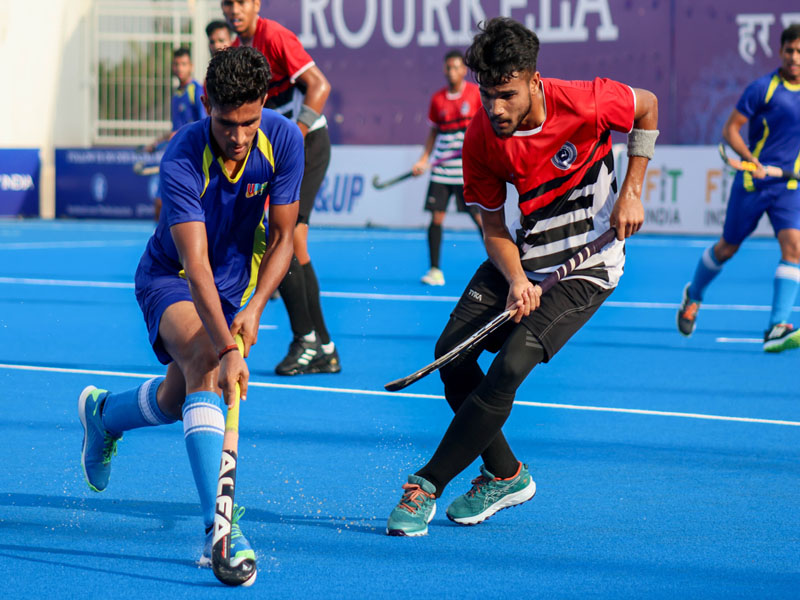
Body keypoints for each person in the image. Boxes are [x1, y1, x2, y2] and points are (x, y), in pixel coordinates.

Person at [385, 17, 658, 537]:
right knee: (453, 355)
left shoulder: (589, 101)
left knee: (510, 364)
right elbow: (492, 224)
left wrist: (632, 190)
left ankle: (426, 483)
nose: (495, 108)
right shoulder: (481, 138)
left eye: (506, 94)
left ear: (534, 80)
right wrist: (515, 278)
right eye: (487, 95)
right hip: (523, 258)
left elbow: (647, 107)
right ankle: (506, 474)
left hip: (590, 267)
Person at [78, 47, 303, 566]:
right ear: (207, 104)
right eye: (227, 123)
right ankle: (217, 532)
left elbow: (286, 236)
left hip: (230, 290)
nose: (240, 136)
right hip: (171, 277)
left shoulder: (285, 140)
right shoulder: (182, 155)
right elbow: (195, 264)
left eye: (249, 122)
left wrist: (255, 308)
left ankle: (103, 414)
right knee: (206, 361)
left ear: (265, 103)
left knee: (181, 400)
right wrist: (228, 345)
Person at [222, 0, 340, 376]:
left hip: (307, 145)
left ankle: (307, 340)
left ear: (255, 4)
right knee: (293, 241)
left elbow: (319, 86)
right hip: (279, 149)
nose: (233, 9)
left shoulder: (272, 36)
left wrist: (295, 137)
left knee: (286, 238)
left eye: (240, 2)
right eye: (227, 3)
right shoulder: (240, 49)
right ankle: (322, 345)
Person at [677, 24, 800, 352]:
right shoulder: (764, 88)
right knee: (726, 249)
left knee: (794, 248)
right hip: (753, 183)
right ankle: (694, 295)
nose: (795, 57)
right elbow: (731, 130)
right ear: (781, 52)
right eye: (790, 50)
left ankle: (776, 326)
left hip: (788, 187)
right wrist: (751, 161)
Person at [412, 50, 483, 287]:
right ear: (444, 70)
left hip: (466, 171)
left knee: (480, 219)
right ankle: (434, 270)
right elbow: (433, 132)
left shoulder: (474, 95)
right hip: (441, 170)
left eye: (456, 67)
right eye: (448, 67)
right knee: (436, 218)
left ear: (464, 70)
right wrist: (423, 159)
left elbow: (483, 128)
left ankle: (499, 265)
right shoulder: (437, 99)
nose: (452, 71)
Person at [146, 47, 207, 220]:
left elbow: (203, 123)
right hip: (175, 154)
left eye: (183, 64)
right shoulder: (176, 94)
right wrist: (157, 142)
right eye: (176, 64)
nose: (180, 68)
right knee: (159, 204)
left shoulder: (196, 91)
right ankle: (163, 246)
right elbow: (176, 129)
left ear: (191, 66)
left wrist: (180, 135)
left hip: (192, 158)